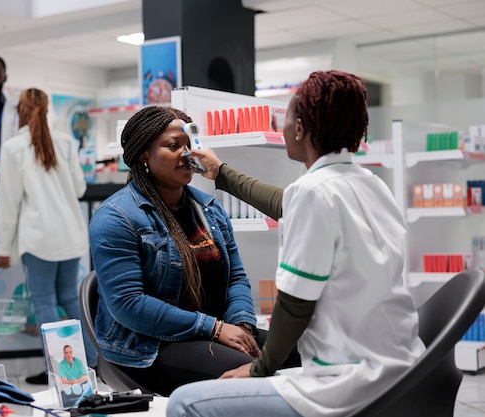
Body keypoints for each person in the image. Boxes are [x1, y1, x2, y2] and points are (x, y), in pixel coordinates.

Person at [167, 70, 426, 417]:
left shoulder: (313, 192)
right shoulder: (369, 183)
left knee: (185, 403)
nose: (282, 126)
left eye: (285, 118)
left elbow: (295, 305)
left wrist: (259, 369)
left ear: (301, 128)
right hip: (403, 366)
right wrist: (222, 172)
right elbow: (286, 202)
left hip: (349, 381)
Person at [88, 105, 299, 397]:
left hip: (212, 332)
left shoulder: (208, 209)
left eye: (189, 145)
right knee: (248, 372)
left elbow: (235, 278)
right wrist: (214, 328)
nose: (187, 154)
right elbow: (129, 305)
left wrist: (241, 326)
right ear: (143, 155)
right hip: (151, 346)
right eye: (173, 146)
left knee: (301, 352)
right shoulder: (116, 217)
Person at [0, 87, 97, 384]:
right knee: (69, 297)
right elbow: (79, 189)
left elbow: (9, 203)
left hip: (38, 239)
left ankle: (55, 369)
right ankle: (92, 363)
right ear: (48, 108)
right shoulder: (65, 142)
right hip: (70, 234)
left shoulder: (14, 147)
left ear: (20, 111)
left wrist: (4, 249)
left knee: (44, 301)